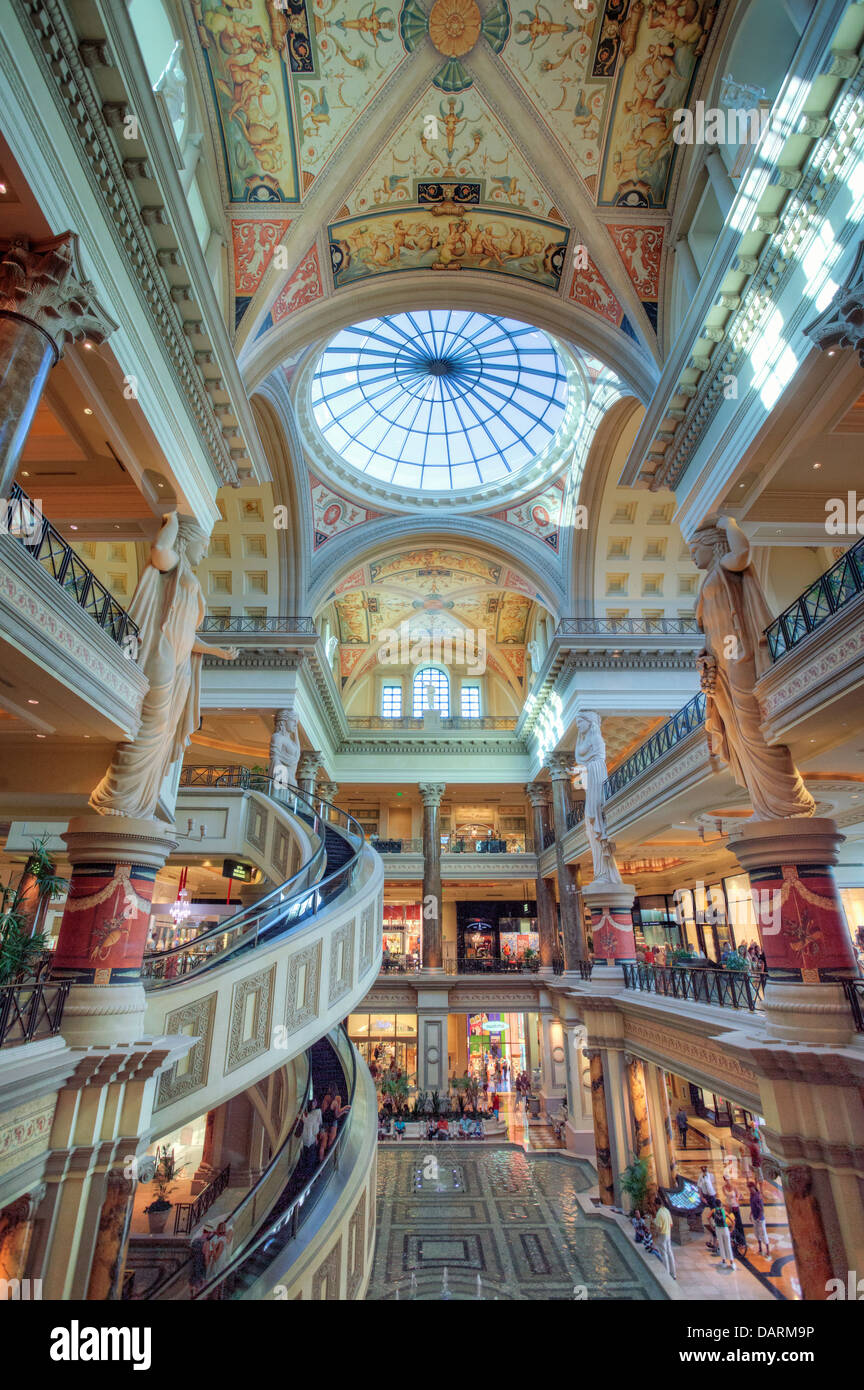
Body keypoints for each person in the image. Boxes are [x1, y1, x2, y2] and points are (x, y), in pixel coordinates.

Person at [653, 1203, 677, 1279]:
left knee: (664, 1254)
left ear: (657, 1205)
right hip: (668, 1233)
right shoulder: (666, 1211)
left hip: (662, 1235)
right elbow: (671, 1224)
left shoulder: (659, 1213)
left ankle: (666, 1275)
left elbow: (659, 1228)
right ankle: (673, 1274)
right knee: (670, 1252)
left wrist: (656, 1234)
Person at [300, 1097, 322, 1174]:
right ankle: (310, 1174)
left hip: (304, 1141)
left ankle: (303, 1173)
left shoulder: (303, 1116)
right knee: (311, 1159)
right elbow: (316, 1132)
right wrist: (317, 1140)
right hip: (311, 1141)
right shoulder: (314, 1117)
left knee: (304, 1158)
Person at [748, 1181, 770, 1256]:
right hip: (754, 1217)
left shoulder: (758, 1196)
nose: (749, 1190)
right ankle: (760, 1248)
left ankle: (768, 1251)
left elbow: (762, 1209)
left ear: (753, 1187)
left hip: (760, 1219)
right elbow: (752, 1206)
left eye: (750, 1188)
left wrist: (759, 1218)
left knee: (763, 1233)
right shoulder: (751, 1195)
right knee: (757, 1233)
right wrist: (751, 1214)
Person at [712, 1201, 736, 1270]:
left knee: (721, 1245)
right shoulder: (723, 1211)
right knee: (728, 1245)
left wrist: (712, 1226)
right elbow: (733, 1221)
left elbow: (708, 1217)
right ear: (721, 1205)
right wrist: (731, 1230)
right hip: (725, 1229)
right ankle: (732, 1263)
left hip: (718, 1229)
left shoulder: (714, 1210)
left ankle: (724, 1262)